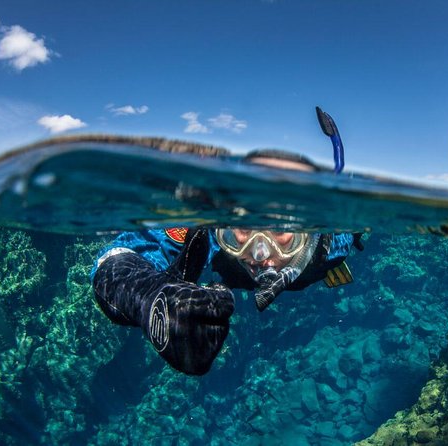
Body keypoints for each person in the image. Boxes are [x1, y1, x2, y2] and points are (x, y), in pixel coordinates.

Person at [91, 110, 362, 375]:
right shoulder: (206, 232)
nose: (259, 253)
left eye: (280, 229)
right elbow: (115, 257)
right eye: (244, 228)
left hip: (316, 269)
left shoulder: (332, 240)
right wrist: (151, 299)